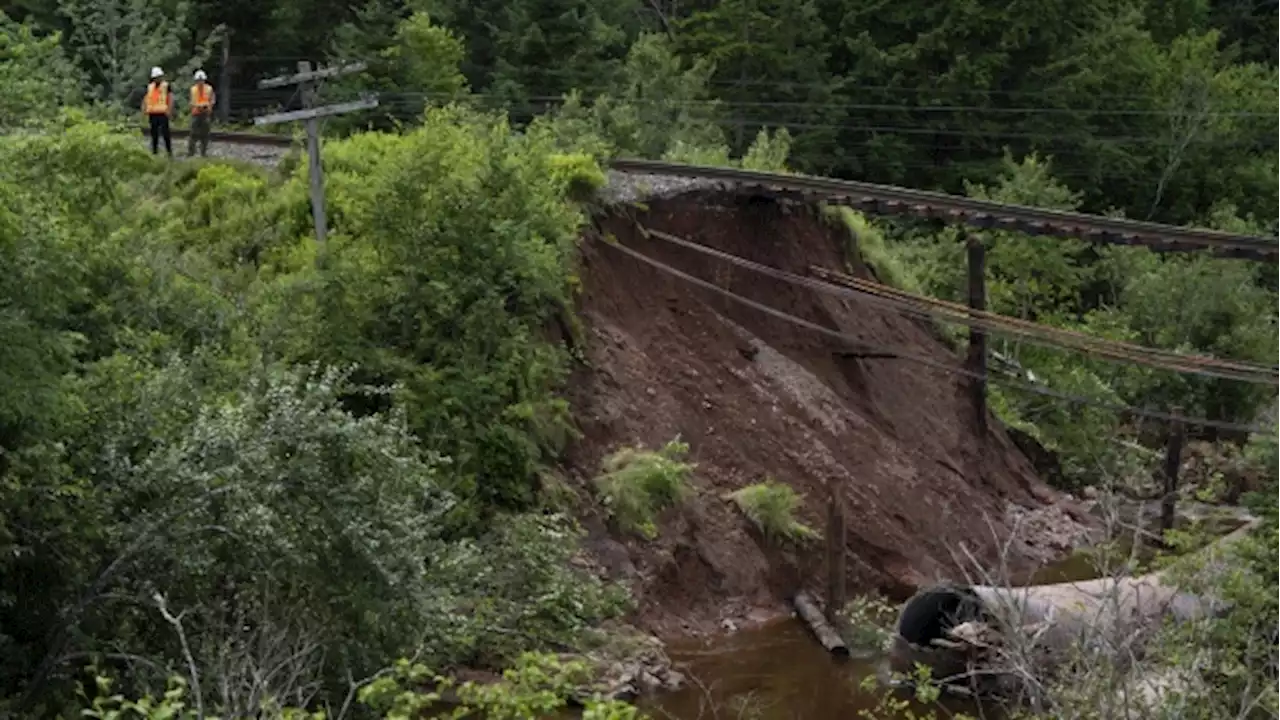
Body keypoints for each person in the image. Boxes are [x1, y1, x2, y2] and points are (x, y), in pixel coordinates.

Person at [142, 66, 174, 156]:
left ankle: (169, 152)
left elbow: (170, 98)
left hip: (163, 113)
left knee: (166, 134)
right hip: (152, 113)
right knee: (154, 134)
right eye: (156, 77)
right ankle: (154, 152)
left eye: (159, 77)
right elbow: (146, 98)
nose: (158, 79)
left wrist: (169, 110)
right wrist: (144, 109)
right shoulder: (150, 87)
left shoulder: (166, 86)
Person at [188, 70, 216, 157]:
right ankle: (191, 152)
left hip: (205, 113)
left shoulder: (209, 89)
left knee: (205, 135)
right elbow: (191, 101)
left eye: (201, 80)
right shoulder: (193, 89)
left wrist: (208, 107)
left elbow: (212, 100)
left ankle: (203, 153)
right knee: (193, 134)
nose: (200, 82)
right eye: (198, 80)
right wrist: (196, 107)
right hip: (196, 113)